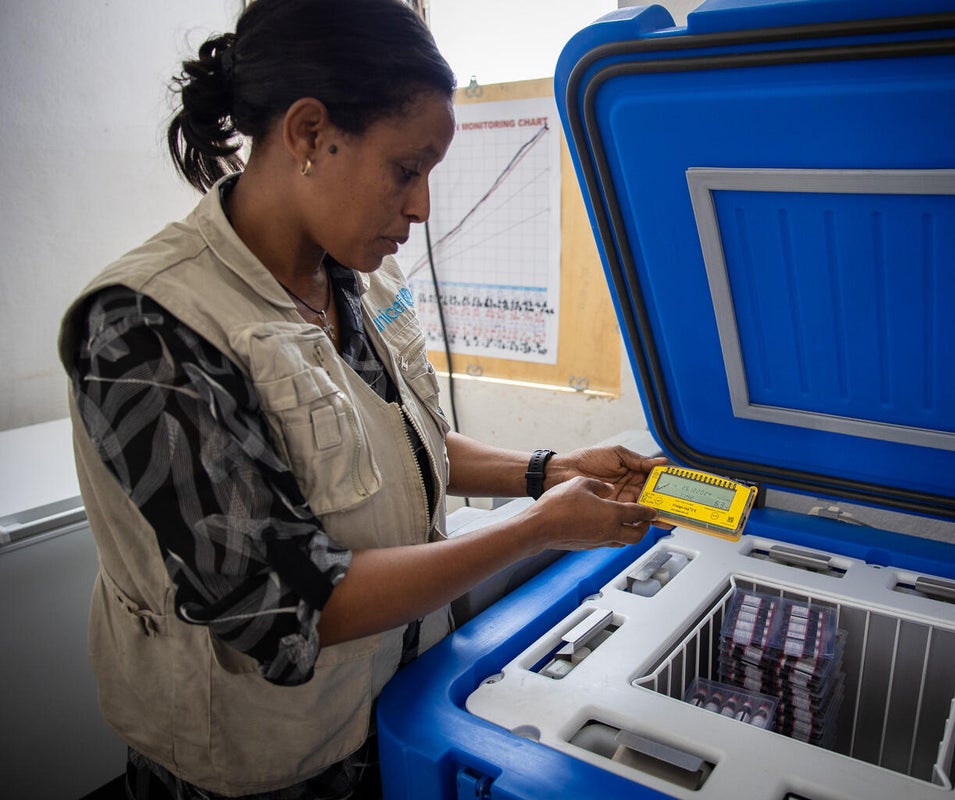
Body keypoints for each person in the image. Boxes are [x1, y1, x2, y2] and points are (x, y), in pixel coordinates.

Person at [57, 1, 664, 797]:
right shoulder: (145, 326)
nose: (420, 208)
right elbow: (289, 610)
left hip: (397, 703)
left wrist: (552, 470)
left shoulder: (362, 275)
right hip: (262, 767)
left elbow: (406, 448)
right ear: (309, 133)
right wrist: (540, 529)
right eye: (406, 170)